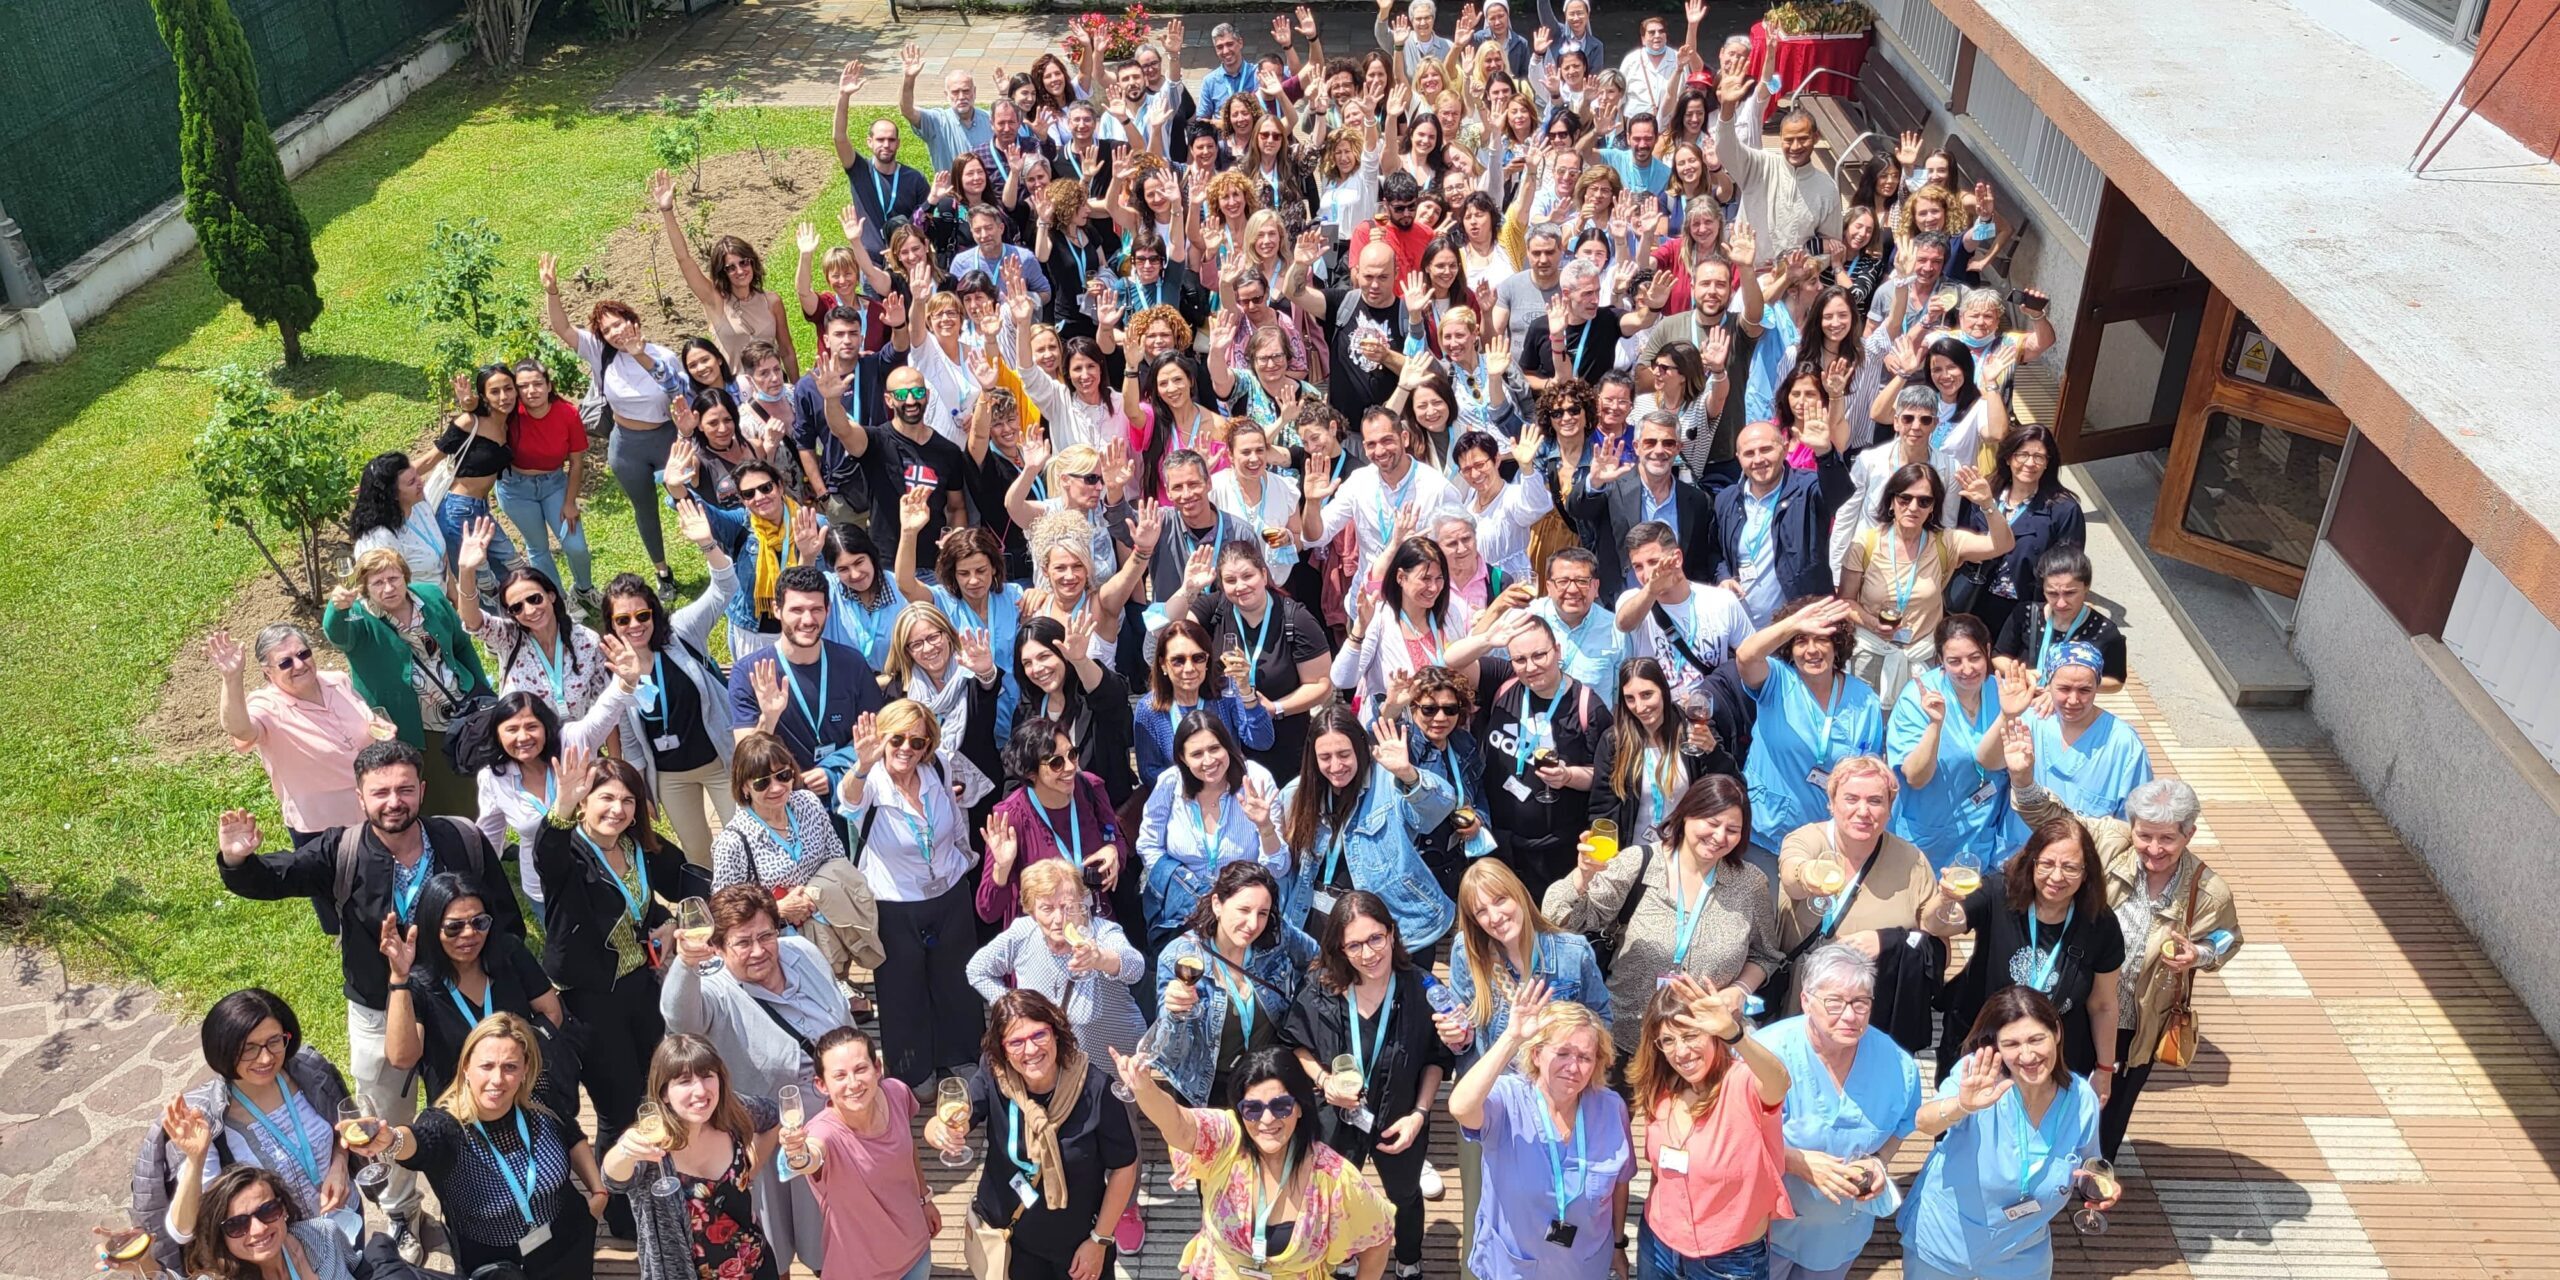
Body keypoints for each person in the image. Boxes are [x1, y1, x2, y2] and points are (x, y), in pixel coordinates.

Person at [214, 739, 525, 1256]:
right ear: (360, 797)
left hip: (459, 1003)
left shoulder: (461, 840)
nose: (394, 801)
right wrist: (237, 859)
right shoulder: (343, 849)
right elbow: (275, 877)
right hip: (381, 1010)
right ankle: (403, 1212)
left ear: (422, 790)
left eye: (405, 788)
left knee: (482, 1100)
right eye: (380, 792)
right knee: (385, 1119)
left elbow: (504, 918)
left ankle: (495, 1192)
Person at [2003, 736, 2242, 1161]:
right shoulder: (2109, 842)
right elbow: (2052, 817)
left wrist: (2199, 955)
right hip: (2082, 1001)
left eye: (2167, 839)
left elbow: (2227, 938)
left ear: (2189, 834)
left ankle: (2095, 1175)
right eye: (2145, 835)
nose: (2153, 849)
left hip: (2141, 1018)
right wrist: (2022, 777)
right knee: (2056, 1085)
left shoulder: (2208, 890)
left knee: (2111, 1104)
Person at [532, 746, 690, 1229]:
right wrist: (558, 809)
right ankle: (622, 1212)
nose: (616, 810)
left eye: (627, 800)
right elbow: (546, 856)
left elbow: (685, 883)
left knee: (656, 1089)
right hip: (589, 1000)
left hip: (642, 989)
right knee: (616, 1105)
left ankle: (663, 1182)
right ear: (583, 802)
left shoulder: (640, 848)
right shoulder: (570, 852)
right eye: (605, 798)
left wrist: (670, 921)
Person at [657, 888, 848, 1274]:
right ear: (719, 947)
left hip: (835, 1125)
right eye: (742, 942)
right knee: (770, 1244)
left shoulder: (804, 955)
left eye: (766, 936)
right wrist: (685, 964)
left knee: (833, 1234)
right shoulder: (714, 990)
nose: (759, 950)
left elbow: (844, 1020)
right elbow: (679, 1018)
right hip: (765, 1137)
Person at [348, 1013, 607, 1279]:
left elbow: (571, 1133)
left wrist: (598, 1191)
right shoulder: (447, 1126)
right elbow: (420, 1142)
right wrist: (391, 1139)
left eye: (510, 1067)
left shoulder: (537, 1096)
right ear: (466, 1068)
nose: (497, 1079)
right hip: (498, 1267)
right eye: (487, 1066)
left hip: (569, 1244)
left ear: (525, 1069)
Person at [1282, 891, 1458, 1280]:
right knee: (1337, 1193)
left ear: (1392, 934)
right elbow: (1296, 1045)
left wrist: (1420, 1114)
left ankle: (1409, 1257)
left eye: (1376, 938)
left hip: (1401, 1117)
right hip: (1336, 1116)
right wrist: (1324, 1082)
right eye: (1355, 945)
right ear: (1340, 949)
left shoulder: (1420, 987)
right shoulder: (1321, 985)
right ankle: (1345, 1255)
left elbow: (1436, 1060)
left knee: (1406, 1195)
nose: (1368, 953)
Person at [127, 989, 358, 1270]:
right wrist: (196, 1159)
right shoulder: (208, 1119)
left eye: (274, 1041)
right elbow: (183, 1229)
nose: (265, 1059)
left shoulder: (309, 1071)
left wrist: (340, 1164)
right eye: (249, 1048)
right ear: (223, 1049)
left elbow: (343, 1129)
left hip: (346, 1220)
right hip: (279, 1255)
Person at [922, 990, 1142, 1280]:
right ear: (1001, 1050)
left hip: (1076, 1246)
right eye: (1016, 1042)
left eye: (1039, 1035)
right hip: (1009, 1239)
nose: (1030, 1050)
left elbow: (1125, 1166)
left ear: (1056, 1034)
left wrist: (1100, 1239)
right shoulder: (995, 1075)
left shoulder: (1096, 1089)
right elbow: (959, 1117)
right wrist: (936, 1128)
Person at [1547, 774, 1780, 1047]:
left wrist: (1739, 991)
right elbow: (1557, 920)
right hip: (1629, 1038)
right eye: (1713, 823)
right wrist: (1582, 876)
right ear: (1687, 814)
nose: (1720, 837)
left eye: (1732, 830)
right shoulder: (1639, 863)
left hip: (1704, 1047)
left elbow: (1765, 955)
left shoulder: (1750, 883)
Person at [1900, 988, 2115, 1280]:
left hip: (2023, 1248)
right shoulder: (1978, 1077)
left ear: (2057, 1033)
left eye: (2037, 1039)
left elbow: (2090, 1164)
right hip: (1948, 1239)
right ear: (1997, 1047)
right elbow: (1924, 1122)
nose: (2027, 1055)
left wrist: (2101, 1187)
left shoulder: (2081, 1099)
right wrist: (1962, 1105)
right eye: (2012, 1044)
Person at [833, 698, 989, 1086]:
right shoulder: (869, 780)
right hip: (894, 901)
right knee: (902, 989)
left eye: (917, 742)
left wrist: (964, 861)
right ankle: (912, 1068)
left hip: (949, 889)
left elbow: (955, 818)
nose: (907, 749)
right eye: (897, 739)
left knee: (956, 979)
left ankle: (962, 1054)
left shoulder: (937, 767)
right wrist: (863, 764)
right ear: (882, 739)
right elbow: (847, 802)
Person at [1925, 815, 2126, 1095]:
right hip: (1982, 1051)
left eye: (2070, 867)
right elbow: (1936, 925)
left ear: (2086, 873)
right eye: (2046, 864)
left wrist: (2105, 1070)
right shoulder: (1999, 892)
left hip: (2051, 1061)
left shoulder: (2100, 923)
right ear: (2031, 861)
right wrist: (1946, 898)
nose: (2056, 877)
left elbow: (2103, 1005)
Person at [209, 624, 388, 930]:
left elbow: (367, 721)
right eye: (286, 662)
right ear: (268, 673)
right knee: (345, 907)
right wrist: (231, 678)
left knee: (388, 890)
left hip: (375, 812)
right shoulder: (266, 706)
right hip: (324, 829)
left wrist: (382, 729)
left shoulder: (337, 682)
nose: (300, 664)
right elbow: (239, 728)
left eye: (303, 654)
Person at [596, 501, 746, 865]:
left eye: (642, 615)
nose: (634, 626)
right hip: (670, 776)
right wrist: (641, 788)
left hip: (719, 760)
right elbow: (630, 740)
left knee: (743, 843)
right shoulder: (613, 667)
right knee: (698, 854)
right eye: (623, 620)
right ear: (612, 625)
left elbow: (725, 588)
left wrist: (708, 544)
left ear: (655, 612)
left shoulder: (681, 632)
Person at [1760, 944, 1923, 1280]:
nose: (1849, 1016)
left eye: (1860, 1003)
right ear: (1806, 1001)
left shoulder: (1898, 1066)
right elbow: (1731, 1134)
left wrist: (1879, 1161)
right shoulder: (1766, 1054)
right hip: (1765, 1229)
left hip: (1838, 1235)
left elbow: (1903, 1124)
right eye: (1834, 1002)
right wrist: (1793, 1160)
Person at [1447, 985, 1630, 1280]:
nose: (1574, 1067)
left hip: (1585, 1266)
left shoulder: (1611, 1107)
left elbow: (1620, 1183)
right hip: (1514, 1268)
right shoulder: (1508, 1099)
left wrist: (1619, 1244)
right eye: (1563, 1053)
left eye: (1585, 1057)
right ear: (1536, 1054)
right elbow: (1461, 1106)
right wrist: (1511, 1037)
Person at [1628, 973, 1796, 1280]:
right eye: (1668, 1040)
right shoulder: (1660, 1088)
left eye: (1691, 1035)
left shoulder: (1742, 1082)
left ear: (1713, 1034)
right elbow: (1660, 1173)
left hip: (1729, 1259)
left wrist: (1735, 1033)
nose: (1680, 1052)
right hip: (1659, 1245)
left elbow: (1779, 1082)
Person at [540, 258, 687, 600]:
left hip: (666, 439)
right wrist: (552, 291)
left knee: (688, 501)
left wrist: (640, 356)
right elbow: (562, 328)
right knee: (644, 508)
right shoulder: (601, 354)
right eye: (607, 330)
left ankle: (716, 555)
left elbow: (677, 392)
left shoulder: (663, 355)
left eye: (619, 324)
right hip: (626, 446)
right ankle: (663, 572)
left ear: (632, 320)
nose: (615, 333)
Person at [1772, 757, 1943, 1051]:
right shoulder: (1808, 839)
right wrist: (1810, 874)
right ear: (1831, 802)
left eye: (1876, 801)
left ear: (1890, 809)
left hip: (1873, 1010)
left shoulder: (1911, 860)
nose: (1862, 811)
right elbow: (1791, 875)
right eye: (1851, 799)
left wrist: (1887, 942)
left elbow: (1933, 938)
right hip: (1803, 1000)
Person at [381, 873, 574, 1121]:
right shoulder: (419, 984)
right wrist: (399, 978)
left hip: (522, 1100)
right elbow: (401, 1057)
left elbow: (551, 1011)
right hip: (459, 1115)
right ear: (432, 927)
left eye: (479, 922)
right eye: (454, 927)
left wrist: (516, 1057)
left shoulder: (509, 953)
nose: (469, 934)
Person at [322, 547, 494, 816]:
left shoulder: (431, 596)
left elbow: (461, 646)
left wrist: (482, 689)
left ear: (405, 576)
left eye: (394, 579)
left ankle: (488, 834)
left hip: (460, 704)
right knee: (439, 788)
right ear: (365, 587)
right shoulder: (358, 616)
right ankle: (454, 842)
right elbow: (338, 636)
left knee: (477, 776)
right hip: (414, 722)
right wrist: (336, 609)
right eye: (377, 583)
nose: (388, 588)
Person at [600, 1034, 785, 1280]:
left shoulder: (732, 1114)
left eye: (708, 1075)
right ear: (664, 1093)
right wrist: (625, 1152)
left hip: (755, 1267)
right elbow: (613, 1180)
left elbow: (772, 1118)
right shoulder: (650, 1141)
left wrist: (750, 1169)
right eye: (685, 1081)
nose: (700, 1090)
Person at [709, 731, 884, 987]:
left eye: (783, 775)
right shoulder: (732, 842)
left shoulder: (808, 803)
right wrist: (778, 910)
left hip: (828, 929)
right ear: (744, 786)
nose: (777, 788)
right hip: (775, 949)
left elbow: (835, 857)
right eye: (762, 783)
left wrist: (814, 896)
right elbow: (724, 913)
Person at [1275, 709, 1457, 948]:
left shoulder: (1389, 781)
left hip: (1392, 925)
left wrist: (1408, 775)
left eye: (1344, 754)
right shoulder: (1297, 793)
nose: (1336, 765)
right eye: (1325, 757)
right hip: (1317, 922)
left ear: (1360, 749)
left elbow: (1439, 808)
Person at [1159, 540, 1336, 783]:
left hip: (1283, 744)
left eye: (1247, 576)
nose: (1240, 586)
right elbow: (1167, 634)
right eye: (1230, 581)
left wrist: (1275, 708)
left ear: (1264, 574)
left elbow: (1321, 686)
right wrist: (1188, 590)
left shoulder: (1297, 619)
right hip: (1223, 747)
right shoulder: (1213, 609)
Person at [1837, 463, 2012, 703]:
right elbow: (1846, 600)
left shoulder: (1946, 542)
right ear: (1891, 501)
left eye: (1924, 501)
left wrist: (1987, 505)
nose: (1913, 507)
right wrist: (1871, 622)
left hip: (1921, 657)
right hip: (1870, 652)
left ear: (1933, 507)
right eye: (1904, 498)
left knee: (1918, 725)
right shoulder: (1865, 542)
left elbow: (2001, 545)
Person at [1153, 862, 1322, 1107]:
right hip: (1209, 1092)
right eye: (1243, 909)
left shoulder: (1277, 936)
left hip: (1269, 1081)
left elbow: (1318, 961)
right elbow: (1170, 1055)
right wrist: (1175, 1014)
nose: (1253, 924)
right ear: (1217, 905)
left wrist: (1305, 1011)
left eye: (1262, 913)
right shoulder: (1180, 957)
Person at [1475, 615, 1613, 901]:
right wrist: (1489, 640)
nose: (1531, 667)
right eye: (1520, 659)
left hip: (1554, 852)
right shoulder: (1504, 685)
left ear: (1558, 651)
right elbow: (1450, 661)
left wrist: (1568, 776)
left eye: (1539, 655)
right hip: (1499, 841)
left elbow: (1604, 779)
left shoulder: (1588, 707)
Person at [786, 1027, 939, 1280]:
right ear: (822, 1085)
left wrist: (925, 1198)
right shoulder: (823, 1132)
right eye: (840, 1076)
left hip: (916, 1252)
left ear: (877, 1068)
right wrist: (797, 1152)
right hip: (860, 1271)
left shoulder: (896, 1093)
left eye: (860, 1069)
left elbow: (908, 1149)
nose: (853, 1084)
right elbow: (809, 1156)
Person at [1736, 597, 1886, 855]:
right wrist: (1794, 623)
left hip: (1829, 838)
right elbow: (1746, 656)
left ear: (1837, 646)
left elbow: (1867, 770)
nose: (1812, 650)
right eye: (1801, 641)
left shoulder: (1865, 699)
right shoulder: (1776, 680)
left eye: (1822, 639)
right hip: (1767, 834)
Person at [729, 566, 892, 795]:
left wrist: (834, 771)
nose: (808, 620)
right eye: (797, 610)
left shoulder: (851, 663)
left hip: (846, 790)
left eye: (816, 609)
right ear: (777, 610)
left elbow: (878, 732)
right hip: (785, 798)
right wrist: (768, 718)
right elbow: (745, 760)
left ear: (828, 610)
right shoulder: (749, 673)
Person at [1137, 708, 1291, 948]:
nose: (1209, 761)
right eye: (1197, 754)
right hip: (1184, 917)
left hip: (1244, 918)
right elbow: (1148, 844)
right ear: (1183, 758)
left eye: (1214, 749)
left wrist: (1265, 827)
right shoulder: (1170, 783)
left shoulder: (1257, 780)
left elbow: (1278, 868)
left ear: (1228, 746)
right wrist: (1184, 886)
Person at [969, 857, 1151, 1059]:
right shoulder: (1022, 933)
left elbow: (1135, 967)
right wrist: (1014, 1009)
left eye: (1067, 907)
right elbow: (977, 969)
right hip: (1055, 1065)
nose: (1059, 919)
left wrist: (1100, 959)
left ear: (1082, 902)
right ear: (1031, 910)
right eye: (1047, 908)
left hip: (1112, 1060)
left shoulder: (1102, 932)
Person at [472, 687, 639, 905]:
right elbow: (489, 837)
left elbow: (604, 713)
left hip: (600, 875)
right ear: (498, 735)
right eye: (511, 729)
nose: (523, 737)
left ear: (546, 727)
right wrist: (474, 886)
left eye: (532, 726)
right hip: (544, 888)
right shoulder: (493, 778)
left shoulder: (571, 744)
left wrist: (625, 683)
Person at [1888, 615, 2012, 869]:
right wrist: (1935, 725)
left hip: (1981, 833)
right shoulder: (1918, 697)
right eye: (1954, 661)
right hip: (1929, 833)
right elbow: (1915, 777)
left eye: (1975, 657)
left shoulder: (2001, 692)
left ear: (1987, 651)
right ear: (1940, 662)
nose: (1967, 669)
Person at [982, 716, 1129, 927]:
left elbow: (1116, 839)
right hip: (1042, 937)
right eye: (1056, 763)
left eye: (1072, 754)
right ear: (1031, 772)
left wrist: (1114, 850)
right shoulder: (1010, 816)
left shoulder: (1090, 787)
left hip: (1093, 924)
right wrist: (1002, 869)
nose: (1070, 767)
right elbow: (988, 910)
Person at [103, 1164, 368, 1280]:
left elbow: (361, 1271)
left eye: (267, 1211)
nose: (259, 1228)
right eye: (237, 1225)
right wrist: (144, 1264)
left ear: (283, 1208)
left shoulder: (323, 1234)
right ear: (222, 1237)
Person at [1586, 656, 1742, 845]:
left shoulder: (1692, 729)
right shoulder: (1614, 741)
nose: (1640, 707)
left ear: (1663, 690)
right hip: (1634, 855)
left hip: (1686, 850)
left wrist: (1712, 751)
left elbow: (1733, 787)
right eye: (1630, 699)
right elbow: (1603, 808)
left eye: (1647, 695)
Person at [1948, 426, 2081, 643]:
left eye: (2039, 456)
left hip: (2023, 607)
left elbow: (2068, 566)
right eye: (2023, 454)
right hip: (1972, 596)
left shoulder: (2063, 509)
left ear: (2048, 462)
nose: (2030, 463)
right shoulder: (1983, 491)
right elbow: (1958, 537)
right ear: (2009, 457)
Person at [1709, 421, 1846, 631]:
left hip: (1802, 627)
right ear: (1738, 458)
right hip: (1744, 629)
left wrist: (1825, 454)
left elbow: (1839, 494)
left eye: (1766, 449)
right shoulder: (1726, 500)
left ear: (1783, 447)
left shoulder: (1808, 488)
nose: (1758, 459)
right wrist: (1724, 577)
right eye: (1749, 453)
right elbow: (1714, 552)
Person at [1612, 518, 1754, 713]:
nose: (1646, 574)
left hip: (1710, 714)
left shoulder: (1722, 601)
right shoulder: (1633, 599)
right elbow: (1624, 623)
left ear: (1677, 558)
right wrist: (1652, 590)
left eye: (1653, 562)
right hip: (1656, 717)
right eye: (1638, 566)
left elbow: (1752, 655)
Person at [2010, 643, 2152, 822]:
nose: (2073, 700)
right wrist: (2006, 714)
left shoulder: (2123, 743)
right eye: (2064, 689)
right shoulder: (2028, 722)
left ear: (2097, 687)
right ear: (2048, 683)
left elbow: (2139, 818)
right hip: (2025, 845)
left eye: (2084, 690)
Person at [1014, 613, 1142, 810]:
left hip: (1105, 816)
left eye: (1044, 656)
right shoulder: (1028, 708)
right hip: (1051, 820)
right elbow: (1015, 772)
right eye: (1027, 663)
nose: (1037, 668)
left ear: (1063, 654)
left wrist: (1080, 660)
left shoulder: (1090, 696)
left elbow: (1112, 698)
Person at [1712, 80, 1840, 263]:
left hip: (1794, 283)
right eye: (1789, 140)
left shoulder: (1827, 188)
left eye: (1802, 139)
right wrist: (1727, 108)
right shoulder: (1760, 165)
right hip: (1748, 274)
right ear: (1780, 139)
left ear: (1816, 138)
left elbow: (1831, 247)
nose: (1795, 147)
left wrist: (1805, 270)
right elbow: (1725, 149)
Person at [1136, 618, 1278, 783]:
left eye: (1198, 658)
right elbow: (1149, 771)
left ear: (1208, 661)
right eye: (1178, 661)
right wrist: (1193, 791)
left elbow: (1262, 741)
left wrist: (1245, 690)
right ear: (1163, 665)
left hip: (1229, 793)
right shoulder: (1149, 708)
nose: (1189, 668)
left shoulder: (1226, 695)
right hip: (1180, 801)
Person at [429, 365, 524, 607]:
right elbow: (430, 459)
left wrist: (468, 402)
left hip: (481, 509)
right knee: (480, 580)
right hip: (457, 512)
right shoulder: (470, 422)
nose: (504, 397)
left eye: (508, 389)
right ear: (485, 396)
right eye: (495, 392)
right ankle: (492, 634)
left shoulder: (509, 422)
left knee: (512, 565)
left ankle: (517, 619)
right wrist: (382, 482)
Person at [1993, 547, 2127, 694]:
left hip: (2072, 707)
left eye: (2070, 593)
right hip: (2023, 699)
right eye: (2052, 593)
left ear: (2086, 587)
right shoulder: (2025, 613)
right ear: (2042, 589)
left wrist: (2070, 686)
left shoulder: (2105, 631)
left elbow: (2116, 682)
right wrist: (2022, 674)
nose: (2060, 603)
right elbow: (1999, 656)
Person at [348, 449, 450, 588]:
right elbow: (389, 591)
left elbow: (442, 562)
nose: (421, 482)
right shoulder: (381, 538)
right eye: (412, 482)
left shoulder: (419, 504)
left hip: (439, 599)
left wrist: (455, 599)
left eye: (417, 475)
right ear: (393, 494)